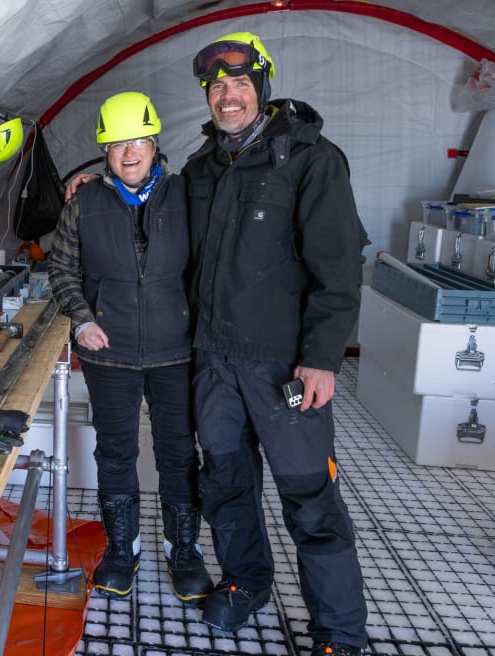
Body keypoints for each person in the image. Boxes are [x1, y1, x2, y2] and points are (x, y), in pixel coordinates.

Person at [185, 32, 369, 656]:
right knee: (227, 484)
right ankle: (245, 583)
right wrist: (91, 188)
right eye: (216, 87)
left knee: (310, 498)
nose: (227, 96)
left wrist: (321, 358)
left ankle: (340, 635)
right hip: (214, 362)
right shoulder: (202, 167)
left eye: (238, 84)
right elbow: (156, 221)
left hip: (282, 367)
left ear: (260, 88)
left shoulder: (312, 161)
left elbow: (339, 270)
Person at [48, 92, 213, 603]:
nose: (129, 152)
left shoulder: (188, 194)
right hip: (108, 352)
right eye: (117, 144)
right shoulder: (84, 202)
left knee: (179, 454)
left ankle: (183, 550)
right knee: (115, 452)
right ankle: (123, 549)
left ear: (155, 142)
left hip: (175, 351)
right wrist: (81, 320)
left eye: (138, 140)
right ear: (104, 152)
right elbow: (61, 268)